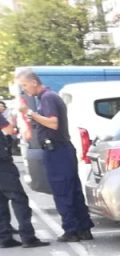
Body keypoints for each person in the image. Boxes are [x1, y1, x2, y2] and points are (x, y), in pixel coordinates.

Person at [15, 69, 94, 242]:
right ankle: (83, 228)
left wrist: (29, 113)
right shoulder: (47, 97)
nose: (24, 90)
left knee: (63, 191)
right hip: (61, 149)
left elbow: (53, 123)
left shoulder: (47, 98)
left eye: (25, 85)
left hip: (57, 150)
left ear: (34, 82)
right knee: (72, 191)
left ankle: (71, 230)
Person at [0, 99, 48, 249]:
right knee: (19, 198)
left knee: (0, 201)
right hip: (2, 164)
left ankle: (4, 237)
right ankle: (28, 236)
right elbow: (9, 130)